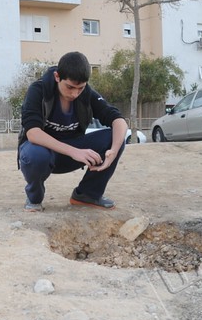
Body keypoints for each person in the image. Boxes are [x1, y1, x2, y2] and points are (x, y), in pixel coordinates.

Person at [17, 51, 128, 212]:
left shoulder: (86, 93)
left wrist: (113, 151)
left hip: (71, 154)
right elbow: (33, 133)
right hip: (43, 154)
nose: (75, 93)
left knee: (114, 139)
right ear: (57, 77)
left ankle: (87, 195)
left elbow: (118, 120)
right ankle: (34, 198)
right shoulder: (38, 90)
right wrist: (74, 151)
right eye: (70, 87)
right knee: (35, 153)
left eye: (80, 88)